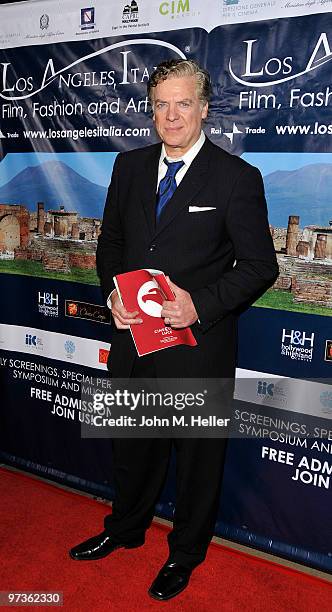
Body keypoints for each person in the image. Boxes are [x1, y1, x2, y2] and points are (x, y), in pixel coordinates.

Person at [69, 59, 279, 600]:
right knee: (131, 447)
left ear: (204, 109)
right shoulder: (129, 167)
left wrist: (199, 307)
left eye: (183, 103)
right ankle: (126, 529)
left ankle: (184, 554)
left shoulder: (237, 179)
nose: (171, 115)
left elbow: (260, 267)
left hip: (197, 349)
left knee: (196, 462)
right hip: (132, 342)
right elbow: (111, 244)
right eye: (161, 103)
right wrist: (112, 292)